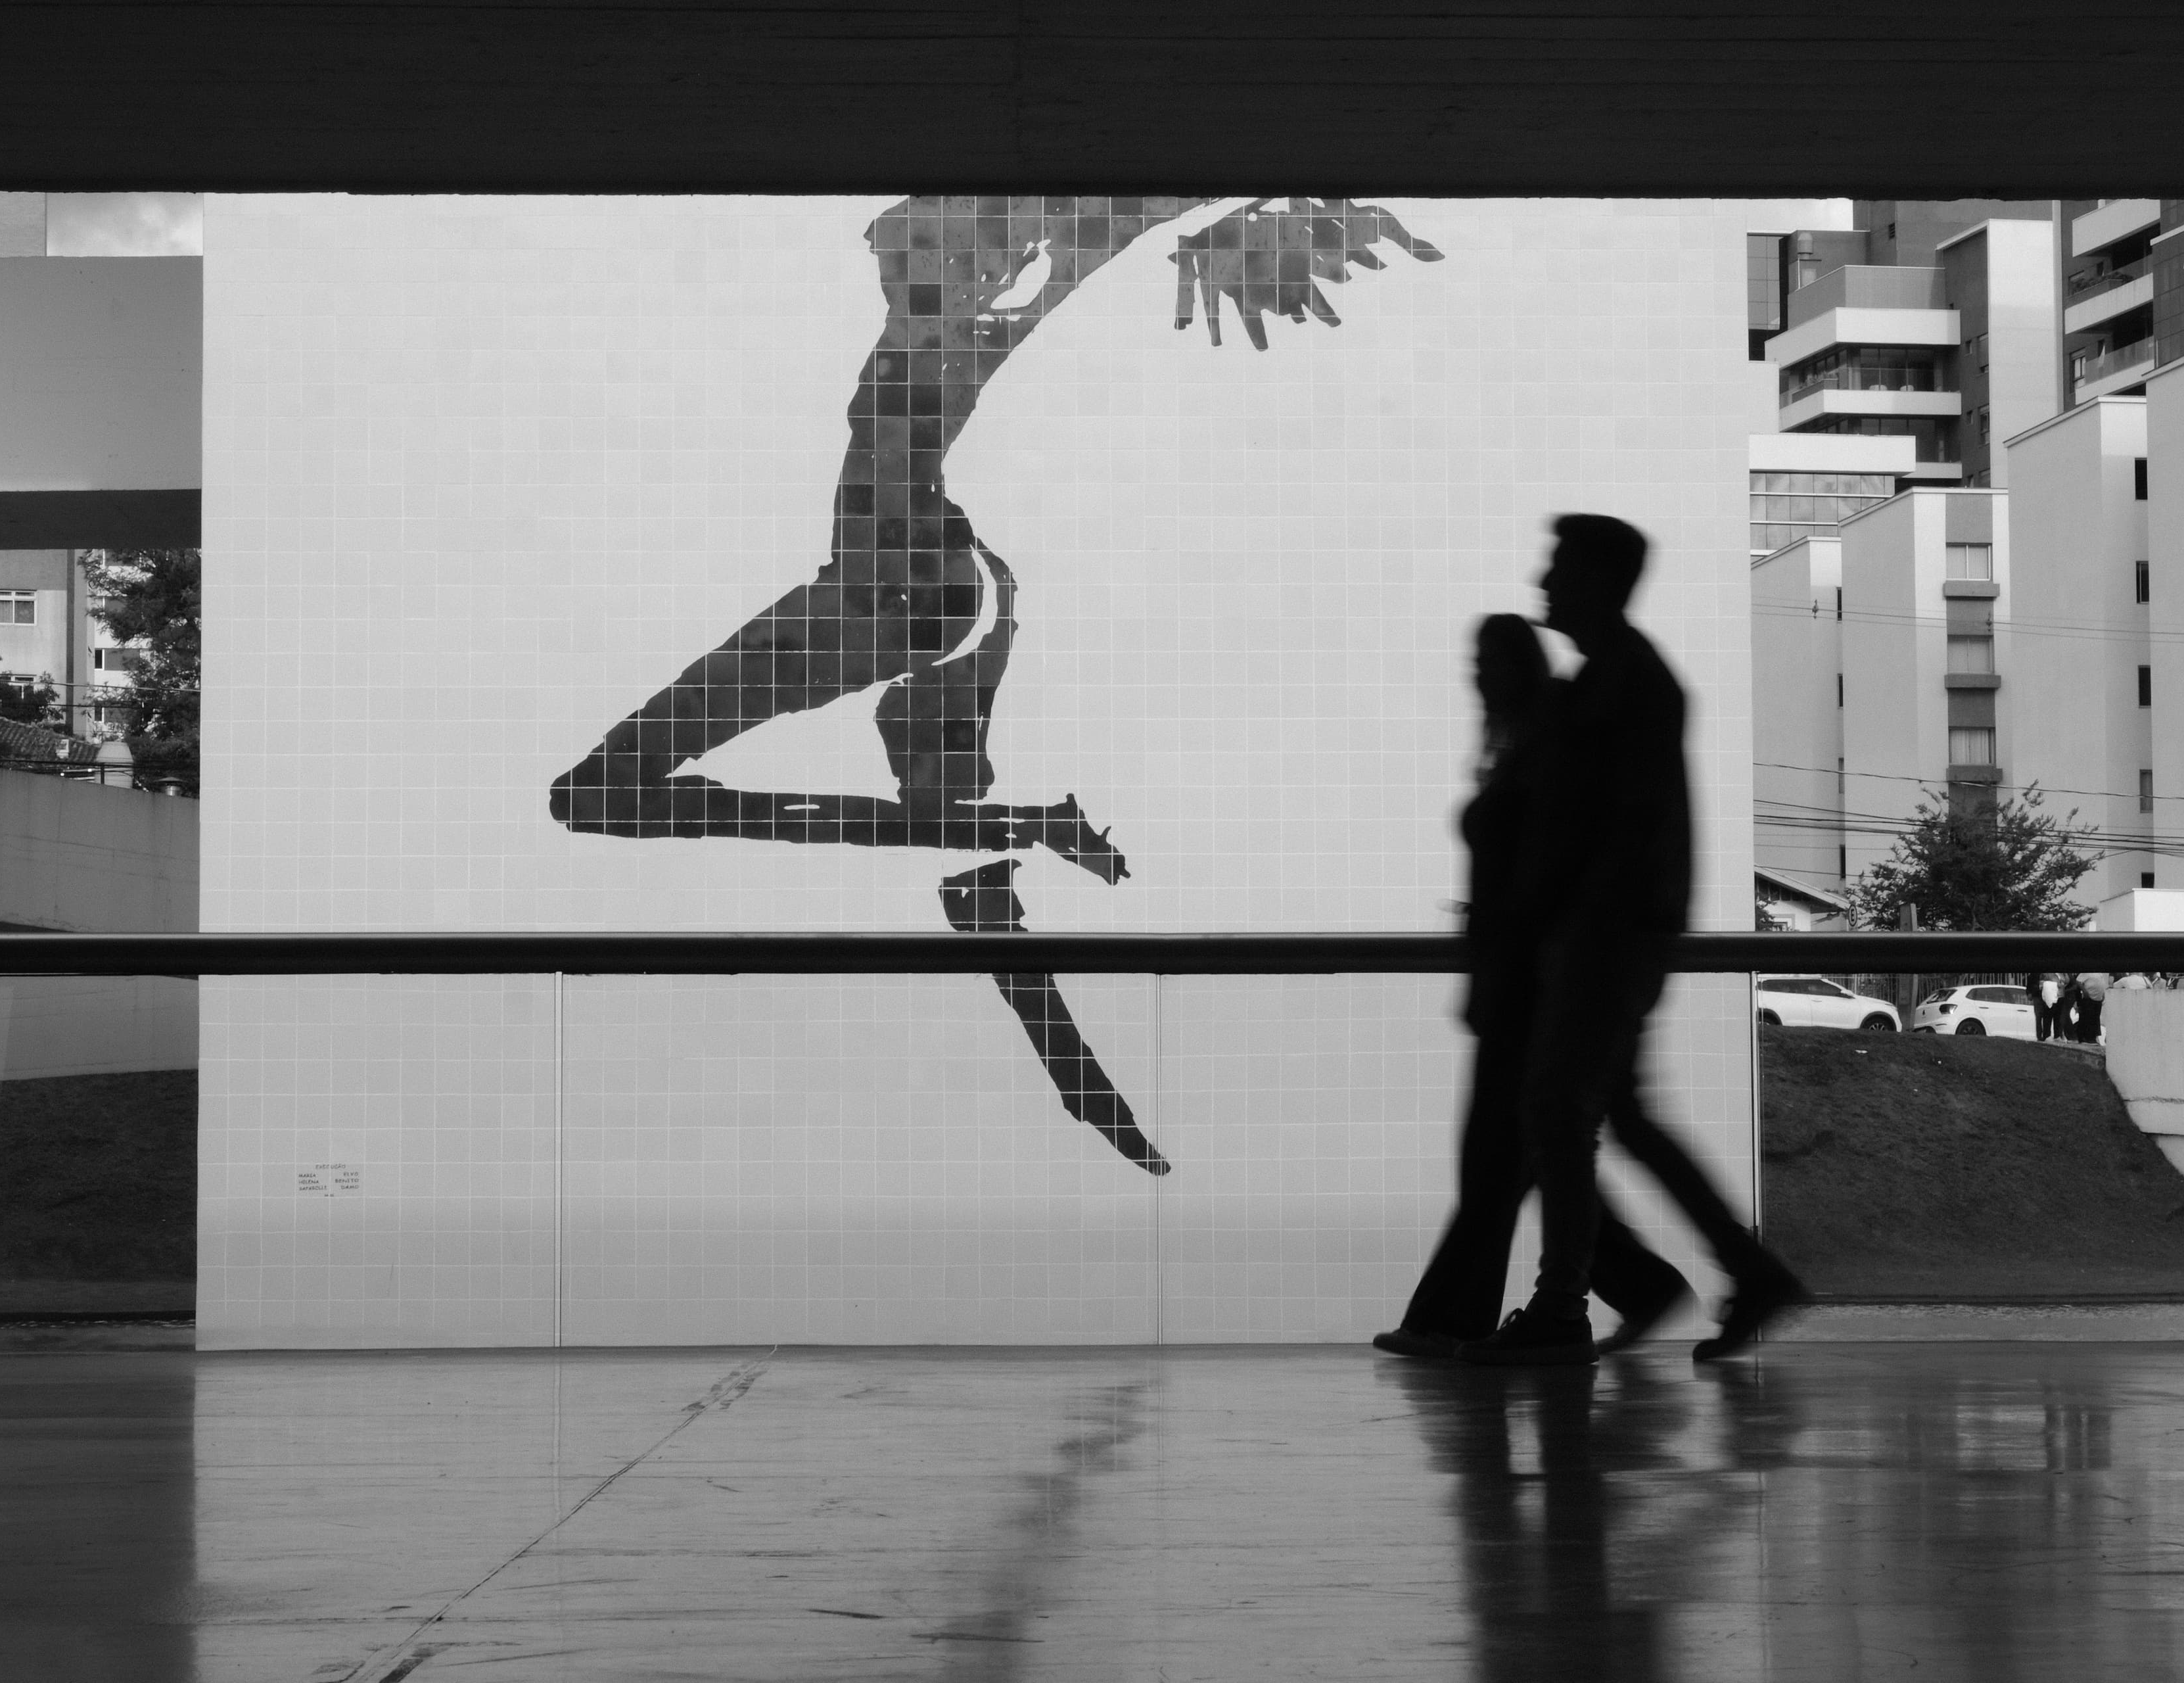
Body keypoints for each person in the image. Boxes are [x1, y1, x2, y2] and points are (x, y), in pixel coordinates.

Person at [544, 195, 1441, 1174]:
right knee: (961, 876)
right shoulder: (986, 312)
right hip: (947, 597)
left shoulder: (985, 320)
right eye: (894, 260)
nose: (892, 276)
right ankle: (1092, 1087)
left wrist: (1262, 218)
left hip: (889, 599)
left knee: (597, 795)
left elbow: (1124, 219)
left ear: (971, 255)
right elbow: (1137, 212)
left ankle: (1022, 841)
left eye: (913, 256)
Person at [1459, 515, 1805, 1366]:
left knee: (1556, 1113)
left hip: (1602, 939)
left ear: (1599, 581)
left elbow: (1612, 828)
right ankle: (1744, 1272)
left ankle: (1563, 1305)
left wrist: (1564, 925)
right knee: (1621, 1117)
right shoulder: (1615, 682)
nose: (1544, 582)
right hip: (1607, 937)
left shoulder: (1626, 686)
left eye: (1559, 567)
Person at [1372, 615, 1693, 1360]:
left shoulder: (1540, 745)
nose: (1474, 673)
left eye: (1484, 659)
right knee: (1525, 1159)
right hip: (1521, 981)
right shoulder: (1529, 741)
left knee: (1504, 1159)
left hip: (1526, 985)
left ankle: (1458, 1316)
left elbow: (1539, 871)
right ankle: (1624, 1287)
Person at [2074, 970, 2111, 1043]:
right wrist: (2084, 991)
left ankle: (2093, 1038)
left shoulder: (2100, 973)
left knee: (2095, 1019)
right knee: (2088, 1018)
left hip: (2098, 999)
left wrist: (2103, 994)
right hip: (2089, 998)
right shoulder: (2085, 972)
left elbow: (2102, 984)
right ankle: (2086, 1039)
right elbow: (2078, 981)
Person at [2029, 971, 2058, 1041]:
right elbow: (2030, 983)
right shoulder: (2034, 974)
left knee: (2047, 1016)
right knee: (2039, 1016)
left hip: (2047, 995)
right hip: (2038, 995)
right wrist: (2029, 992)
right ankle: (2039, 1036)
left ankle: (2046, 1035)